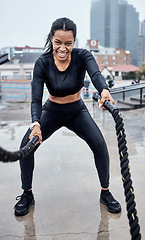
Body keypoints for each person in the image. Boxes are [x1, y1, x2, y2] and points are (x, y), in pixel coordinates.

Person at [14, 17, 121, 216]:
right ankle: (27, 194)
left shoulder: (83, 56)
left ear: (74, 42)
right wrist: (36, 122)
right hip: (51, 111)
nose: (63, 48)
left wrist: (104, 90)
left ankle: (105, 193)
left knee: (100, 145)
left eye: (68, 43)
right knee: (25, 148)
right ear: (52, 39)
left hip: (77, 111)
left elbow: (96, 74)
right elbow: (36, 98)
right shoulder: (42, 63)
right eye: (58, 42)